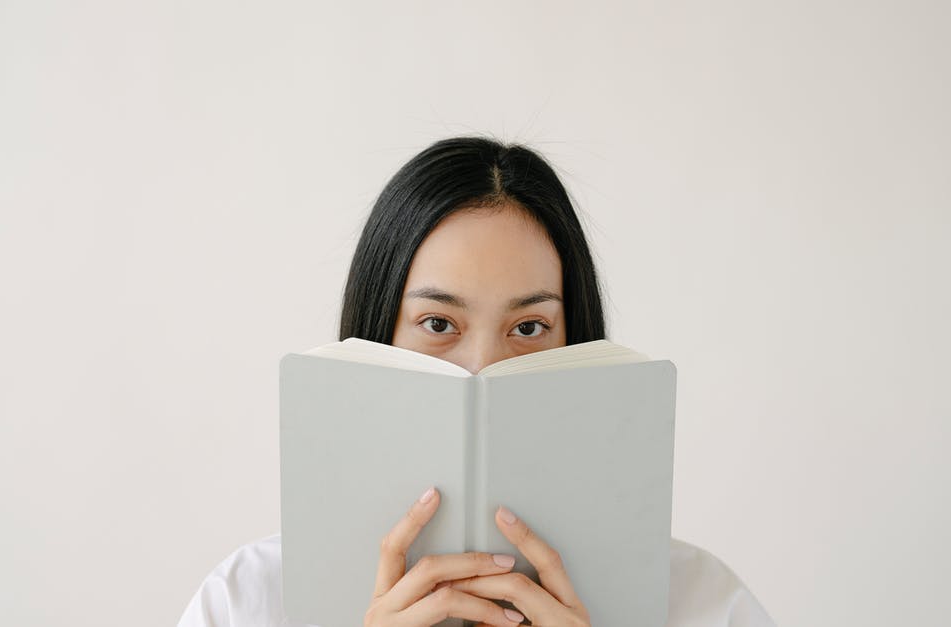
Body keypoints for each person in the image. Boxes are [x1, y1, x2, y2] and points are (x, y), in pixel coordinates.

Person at [176, 136, 775, 627]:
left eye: (530, 326)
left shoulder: (701, 602)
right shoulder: (248, 600)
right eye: (438, 323)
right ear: (376, 340)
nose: (483, 369)